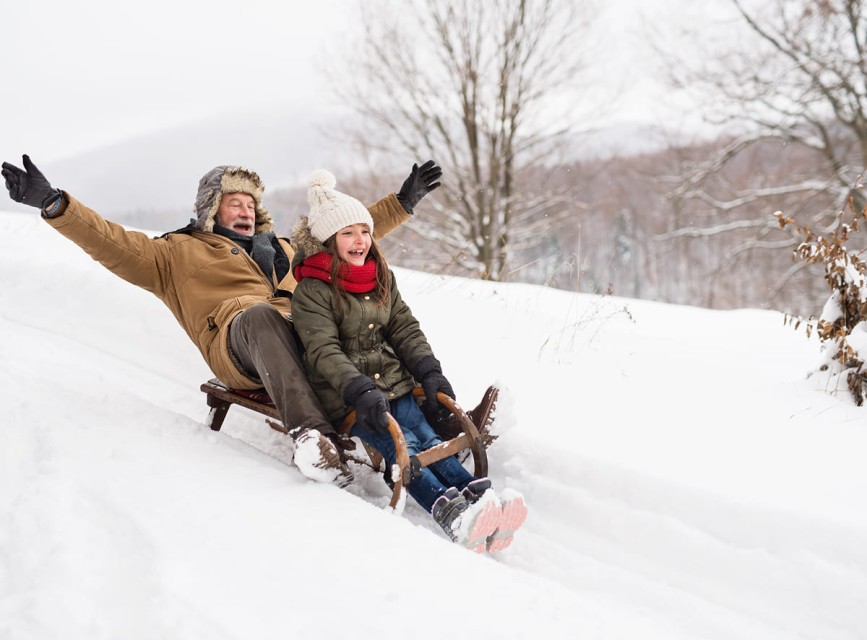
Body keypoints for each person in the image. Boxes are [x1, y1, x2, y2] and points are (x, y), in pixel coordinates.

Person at [0, 154, 451, 486]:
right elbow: (111, 241)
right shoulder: (175, 253)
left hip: (306, 335)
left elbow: (346, 232)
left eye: (250, 203)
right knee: (261, 316)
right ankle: (313, 436)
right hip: (240, 341)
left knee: (361, 311)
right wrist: (56, 203)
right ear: (210, 208)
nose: (245, 210)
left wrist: (402, 202)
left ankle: (432, 409)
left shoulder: (284, 248)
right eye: (233, 202)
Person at [289, 169, 527, 552]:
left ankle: (476, 498)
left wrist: (428, 369)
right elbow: (323, 351)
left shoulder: (378, 276)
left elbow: (403, 326)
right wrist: (357, 388)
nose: (361, 241)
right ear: (328, 241)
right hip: (352, 398)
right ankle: (447, 511)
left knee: (430, 438)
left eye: (364, 231)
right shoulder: (312, 291)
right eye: (348, 233)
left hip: (395, 385)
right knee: (407, 450)